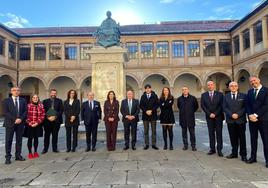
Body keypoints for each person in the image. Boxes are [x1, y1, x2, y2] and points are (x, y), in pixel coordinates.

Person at [246, 76, 268, 168]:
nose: (252, 82)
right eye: (251, 81)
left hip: (264, 120)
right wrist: (250, 115)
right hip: (252, 120)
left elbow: (266, 105)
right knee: (253, 139)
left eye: (254, 80)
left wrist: (255, 115)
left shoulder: (266, 90)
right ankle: (253, 157)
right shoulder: (250, 92)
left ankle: (267, 160)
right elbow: (247, 104)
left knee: (266, 140)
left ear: (259, 80)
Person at [223, 82, 247, 162]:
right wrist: (231, 114)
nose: (233, 87)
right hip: (230, 120)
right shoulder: (225, 96)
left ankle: (243, 155)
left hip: (241, 120)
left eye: (235, 86)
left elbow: (245, 107)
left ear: (237, 87)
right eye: (231, 86)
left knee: (242, 138)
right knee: (232, 138)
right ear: (229, 87)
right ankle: (234, 153)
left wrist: (238, 114)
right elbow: (224, 107)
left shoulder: (243, 96)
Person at [3, 87, 27, 164]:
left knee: (19, 140)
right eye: (14, 90)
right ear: (11, 91)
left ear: (20, 92)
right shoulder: (6, 101)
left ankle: (18, 155)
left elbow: (25, 111)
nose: (16, 92)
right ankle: (8, 157)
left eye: (18, 90)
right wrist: (15, 119)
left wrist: (20, 119)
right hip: (10, 123)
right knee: (8, 140)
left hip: (20, 123)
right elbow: (6, 112)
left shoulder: (23, 100)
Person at [201, 81, 224, 157]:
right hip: (209, 117)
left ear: (214, 85)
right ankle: (212, 149)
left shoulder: (220, 94)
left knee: (219, 133)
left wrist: (215, 113)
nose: (210, 86)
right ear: (207, 86)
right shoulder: (204, 95)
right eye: (208, 85)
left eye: (211, 85)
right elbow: (203, 106)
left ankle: (219, 149)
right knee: (211, 133)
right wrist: (209, 113)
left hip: (218, 117)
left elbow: (222, 105)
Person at [23, 94, 45, 159]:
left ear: (38, 98)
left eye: (36, 97)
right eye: (34, 98)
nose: (35, 99)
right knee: (30, 139)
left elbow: (43, 115)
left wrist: (37, 123)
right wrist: (30, 123)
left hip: (37, 125)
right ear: (32, 99)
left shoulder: (41, 106)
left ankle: (35, 151)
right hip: (29, 125)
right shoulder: (28, 106)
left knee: (36, 138)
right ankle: (30, 152)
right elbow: (25, 115)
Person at [42, 89, 63, 154]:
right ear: (50, 93)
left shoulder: (59, 101)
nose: (53, 94)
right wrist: (48, 117)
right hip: (47, 122)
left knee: (55, 135)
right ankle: (45, 149)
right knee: (46, 136)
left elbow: (61, 110)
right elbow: (43, 110)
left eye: (54, 93)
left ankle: (55, 148)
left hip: (56, 121)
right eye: (52, 93)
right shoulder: (45, 101)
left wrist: (55, 117)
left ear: (56, 94)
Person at [177, 86, 199, 151]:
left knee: (192, 133)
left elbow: (196, 107)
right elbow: (179, 106)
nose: (184, 91)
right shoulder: (179, 99)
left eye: (186, 89)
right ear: (182, 91)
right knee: (184, 133)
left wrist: (191, 112)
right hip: (183, 118)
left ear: (188, 90)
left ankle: (193, 146)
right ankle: (185, 145)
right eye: (183, 90)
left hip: (191, 118)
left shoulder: (193, 98)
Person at [140, 84, 159, 150]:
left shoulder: (154, 96)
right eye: (146, 88)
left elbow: (157, 104)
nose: (148, 89)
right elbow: (141, 105)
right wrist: (146, 111)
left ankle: (154, 144)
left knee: (154, 130)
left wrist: (151, 110)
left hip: (153, 115)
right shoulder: (143, 96)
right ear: (145, 89)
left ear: (151, 89)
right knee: (146, 131)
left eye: (149, 88)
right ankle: (147, 144)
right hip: (145, 116)